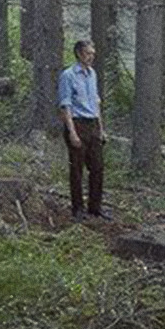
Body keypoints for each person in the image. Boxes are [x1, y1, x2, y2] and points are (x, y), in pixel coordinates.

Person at [58, 39, 107, 221]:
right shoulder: (68, 75)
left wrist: (101, 129)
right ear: (79, 53)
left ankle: (95, 207)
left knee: (97, 167)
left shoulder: (92, 74)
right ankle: (77, 209)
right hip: (77, 123)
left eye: (93, 54)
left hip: (92, 123)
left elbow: (96, 102)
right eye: (88, 53)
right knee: (77, 168)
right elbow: (65, 105)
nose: (91, 57)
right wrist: (72, 132)